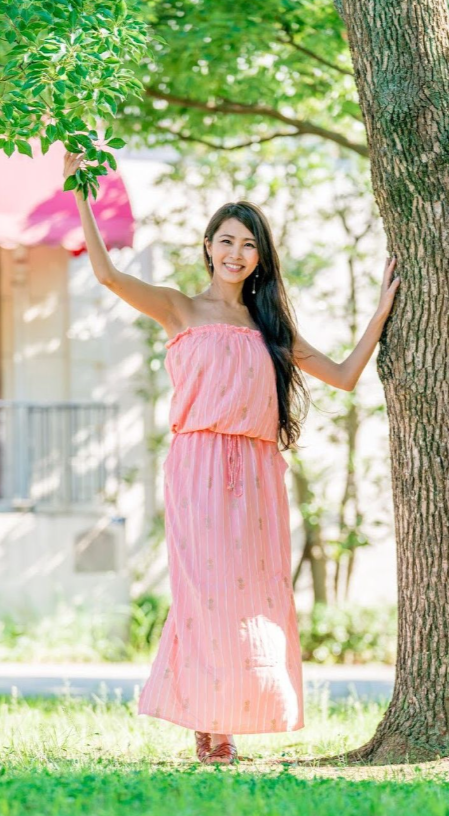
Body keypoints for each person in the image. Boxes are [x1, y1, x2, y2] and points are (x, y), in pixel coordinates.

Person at [63, 149, 401, 765]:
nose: (236, 253)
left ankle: (230, 718)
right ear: (208, 248)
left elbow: (346, 377)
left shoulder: (270, 325)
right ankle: (207, 724)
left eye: (249, 244)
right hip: (197, 464)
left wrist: (381, 312)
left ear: (260, 258)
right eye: (226, 240)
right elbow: (108, 276)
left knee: (253, 596)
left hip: (258, 469)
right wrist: (79, 192)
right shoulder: (179, 308)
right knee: (205, 592)